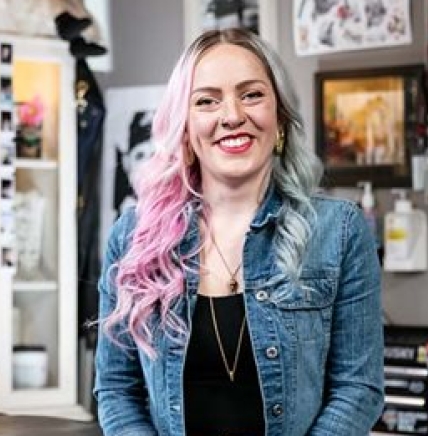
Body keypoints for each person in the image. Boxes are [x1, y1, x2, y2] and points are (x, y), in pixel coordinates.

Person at [94, 28, 383, 436]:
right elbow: (115, 390)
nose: (231, 116)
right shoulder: (133, 236)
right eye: (207, 101)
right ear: (186, 129)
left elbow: (359, 389)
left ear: (279, 118)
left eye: (251, 95)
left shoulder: (340, 231)